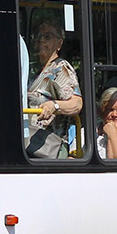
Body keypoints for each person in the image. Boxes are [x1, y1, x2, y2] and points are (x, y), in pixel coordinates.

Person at [26, 19, 83, 158]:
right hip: (30, 144)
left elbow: (76, 104)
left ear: (59, 43)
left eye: (47, 37)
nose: (41, 41)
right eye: (39, 37)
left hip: (49, 149)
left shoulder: (61, 69)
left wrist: (54, 106)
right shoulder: (34, 70)